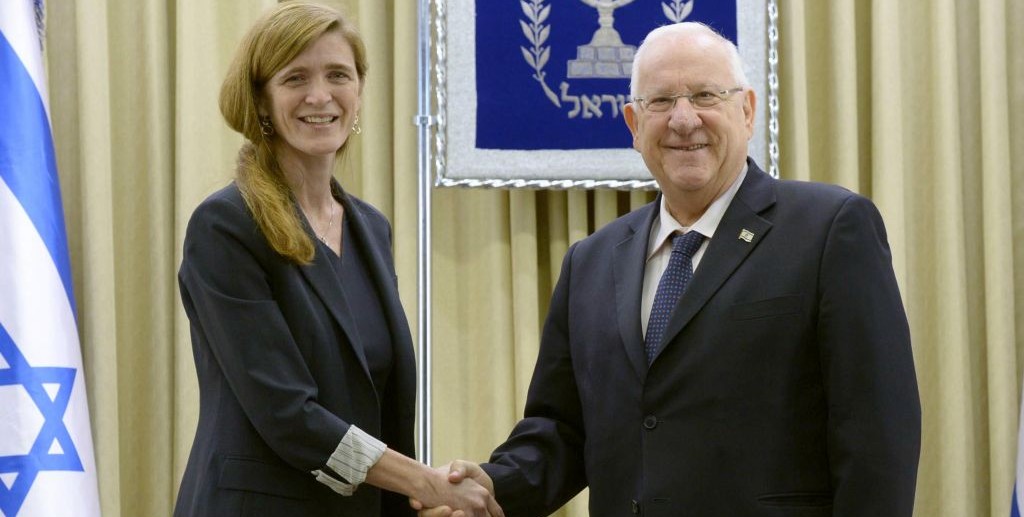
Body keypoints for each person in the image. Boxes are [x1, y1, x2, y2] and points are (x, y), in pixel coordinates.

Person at [418, 21, 921, 517]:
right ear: (634, 126)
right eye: (660, 101)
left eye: (704, 95)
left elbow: (877, 433)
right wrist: (490, 488)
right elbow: (563, 432)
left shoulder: (829, 229)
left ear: (746, 110)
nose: (683, 120)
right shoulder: (591, 262)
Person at [173, 3, 502, 516]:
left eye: (338, 75)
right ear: (261, 98)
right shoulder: (226, 226)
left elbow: (379, 401)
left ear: (359, 93)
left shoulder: (370, 227)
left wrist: (416, 500)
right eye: (295, 78)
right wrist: (426, 481)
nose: (320, 96)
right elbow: (288, 414)